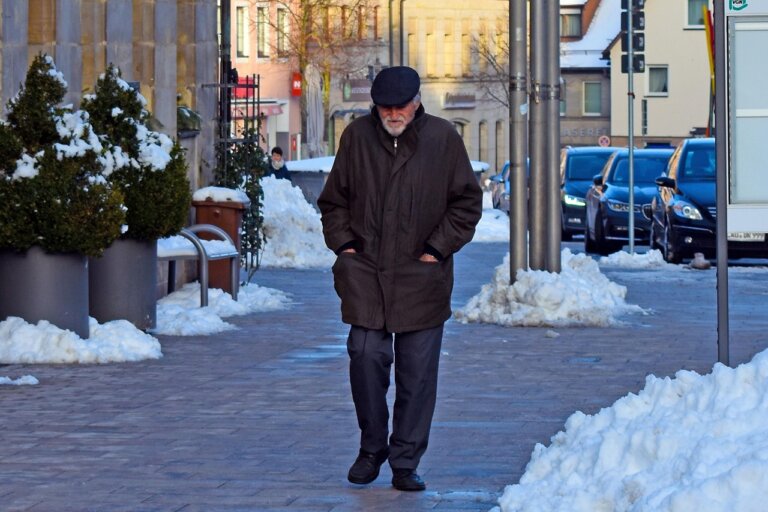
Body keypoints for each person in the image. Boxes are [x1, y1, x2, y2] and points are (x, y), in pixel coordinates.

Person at [317, 66, 482, 492]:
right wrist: (346, 247)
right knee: (365, 353)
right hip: (367, 271)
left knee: (418, 373)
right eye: (384, 107)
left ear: (416, 102)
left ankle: (405, 461)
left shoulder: (443, 139)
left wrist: (436, 249)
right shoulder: (356, 138)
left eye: (400, 106)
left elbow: (466, 203)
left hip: (422, 274)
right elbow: (333, 201)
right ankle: (372, 447)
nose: (393, 114)